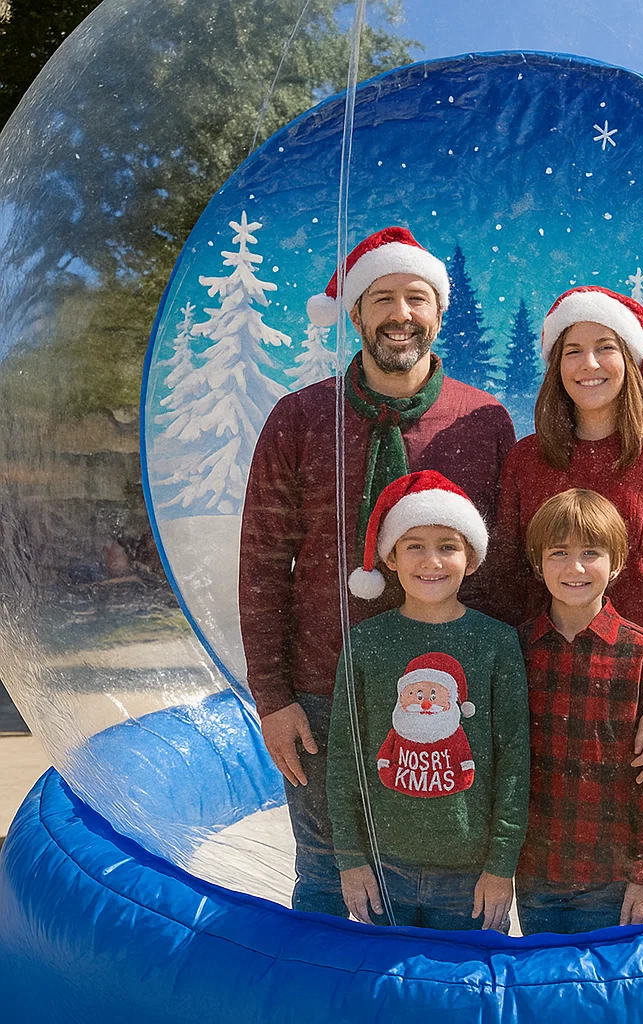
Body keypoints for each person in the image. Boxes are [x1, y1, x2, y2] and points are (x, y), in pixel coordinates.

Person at [239, 227, 516, 916]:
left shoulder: (483, 422)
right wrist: (273, 698)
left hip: (454, 700)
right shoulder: (300, 418)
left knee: (455, 890)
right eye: (382, 298)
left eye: (416, 298)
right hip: (324, 691)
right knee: (329, 882)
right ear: (356, 312)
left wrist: (500, 689)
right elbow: (263, 566)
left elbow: (504, 571)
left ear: (439, 311)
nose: (401, 314)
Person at [490, 285, 643, 908]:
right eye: (573, 350)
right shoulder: (527, 460)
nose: (588, 364)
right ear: (555, 365)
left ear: (632, 359)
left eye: (605, 348)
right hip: (551, 695)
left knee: (639, 894)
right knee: (546, 883)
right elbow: (508, 582)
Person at [327, 471, 529, 931]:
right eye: (414, 545)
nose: (431, 561)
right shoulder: (366, 642)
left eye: (447, 546)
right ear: (391, 558)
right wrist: (351, 858)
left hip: (470, 874)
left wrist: (501, 867)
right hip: (383, 868)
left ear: (470, 559)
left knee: (466, 976)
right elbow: (344, 756)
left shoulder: (496, 642)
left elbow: (514, 761)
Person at [515, 488, 643, 934]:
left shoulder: (642, 652)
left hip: (611, 879)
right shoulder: (518, 648)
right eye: (559, 553)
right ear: (538, 564)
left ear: (617, 562)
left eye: (591, 552)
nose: (576, 567)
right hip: (535, 874)